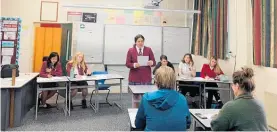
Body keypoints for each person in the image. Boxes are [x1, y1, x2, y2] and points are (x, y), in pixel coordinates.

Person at [135, 66, 191, 131]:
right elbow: (188, 124)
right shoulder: (182, 98)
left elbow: (138, 124)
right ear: (173, 81)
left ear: (156, 81)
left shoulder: (146, 98)